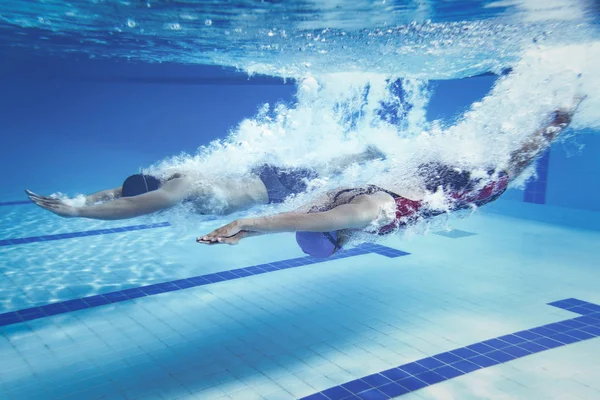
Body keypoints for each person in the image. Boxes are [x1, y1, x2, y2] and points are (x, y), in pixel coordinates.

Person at [197, 97, 585, 258]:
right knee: (498, 148)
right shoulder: (336, 197)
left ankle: (560, 116)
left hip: (465, 187)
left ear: (337, 237)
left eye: (338, 244)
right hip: (435, 170)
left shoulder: (365, 214)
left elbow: (308, 220)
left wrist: (246, 221)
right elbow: (298, 217)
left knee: (517, 159)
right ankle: (548, 109)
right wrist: (249, 233)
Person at [26, 147, 384, 220]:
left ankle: (371, 154)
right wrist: (78, 199)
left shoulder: (175, 189)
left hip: (272, 187)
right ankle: (367, 151)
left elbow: (132, 205)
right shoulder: (168, 177)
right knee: (321, 162)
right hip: (262, 173)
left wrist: (78, 214)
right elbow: (119, 193)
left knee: (330, 172)